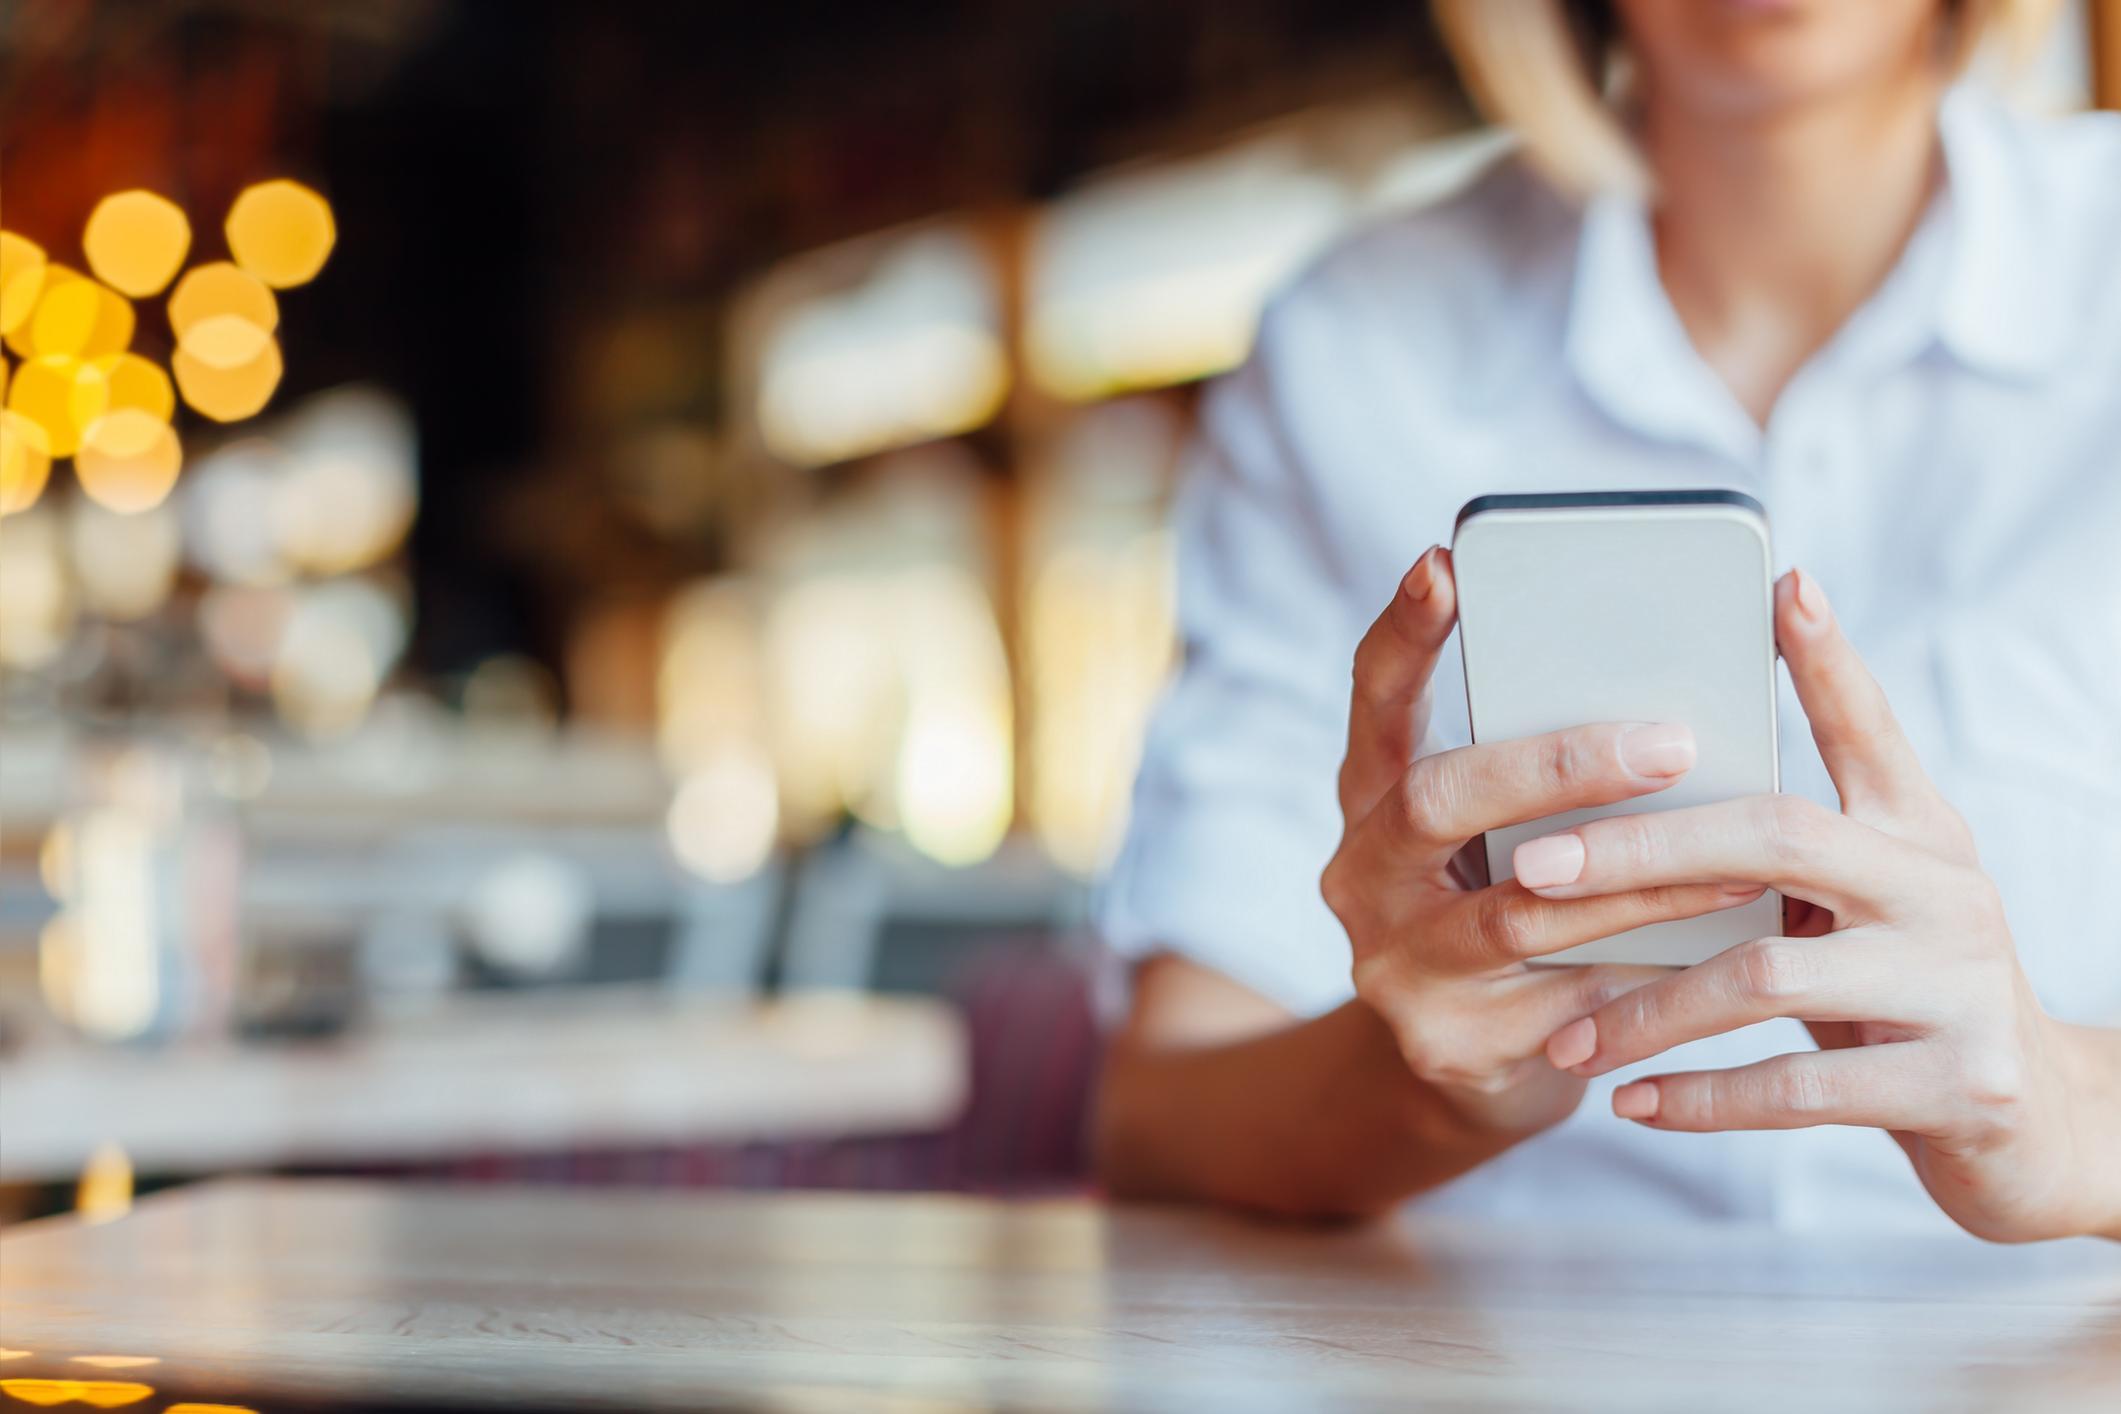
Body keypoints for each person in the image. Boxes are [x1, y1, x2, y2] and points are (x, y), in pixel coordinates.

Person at [1094, 0, 2121, 1240]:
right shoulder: (1357, 347)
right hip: (1484, 1337)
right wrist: (1436, 1085)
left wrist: (2071, 1116)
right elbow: (1158, 1116)